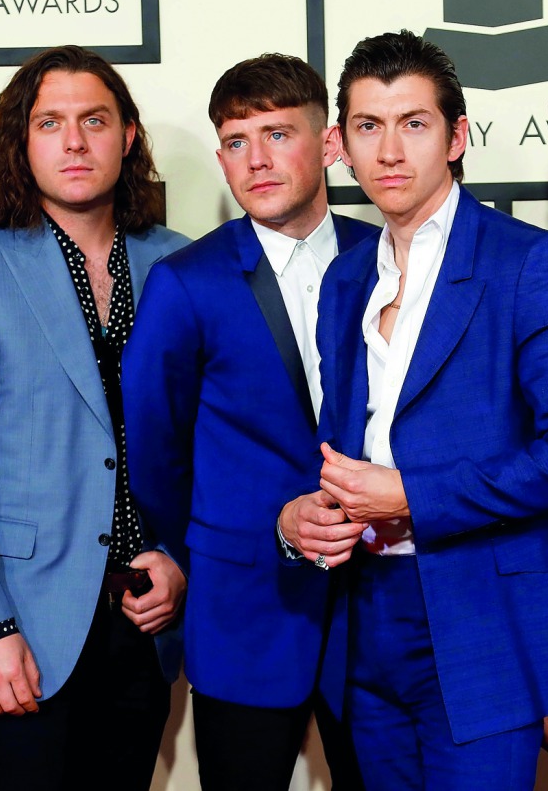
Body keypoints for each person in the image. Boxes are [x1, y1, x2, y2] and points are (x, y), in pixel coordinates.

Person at [280, 30, 548, 790]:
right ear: (342, 146)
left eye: (414, 123)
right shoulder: (343, 281)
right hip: (361, 617)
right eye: (368, 126)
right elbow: (339, 450)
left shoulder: (528, 261)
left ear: (457, 136)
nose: (390, 150)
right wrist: (301, 517)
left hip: (481, 618)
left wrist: (413, 495)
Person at [0, 45, 189, 790]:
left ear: (127, 135)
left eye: (94, 120)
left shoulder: (178, 263)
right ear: (22, 142)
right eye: (49, 122)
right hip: (18, 628)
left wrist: (178, 556)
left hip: (141, 624)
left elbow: (207, 444)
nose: (74, 141)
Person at [122, 54, 374, 791]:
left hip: (377, 611)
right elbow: (156, 449)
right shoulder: (185, 281)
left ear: (329, 143)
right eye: (236, 141)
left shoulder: (388, 258)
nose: (256, 160)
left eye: (277, 134)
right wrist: (219, 543)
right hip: (244, 608)